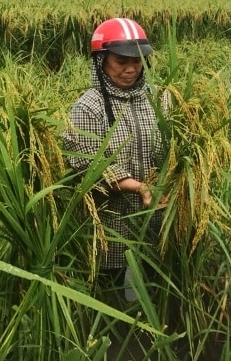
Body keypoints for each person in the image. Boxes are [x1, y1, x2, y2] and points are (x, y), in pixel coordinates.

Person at [63, 17, 168, 296]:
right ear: (101, 60)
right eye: (121, 61)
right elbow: (88, 165)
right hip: (110, 219)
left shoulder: (158, 99)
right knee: (109, 289)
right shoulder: (88, 107)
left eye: (138, 60)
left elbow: (175, 147)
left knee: (159, 279)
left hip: (156, 213)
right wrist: (138, 186)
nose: (131, 69)